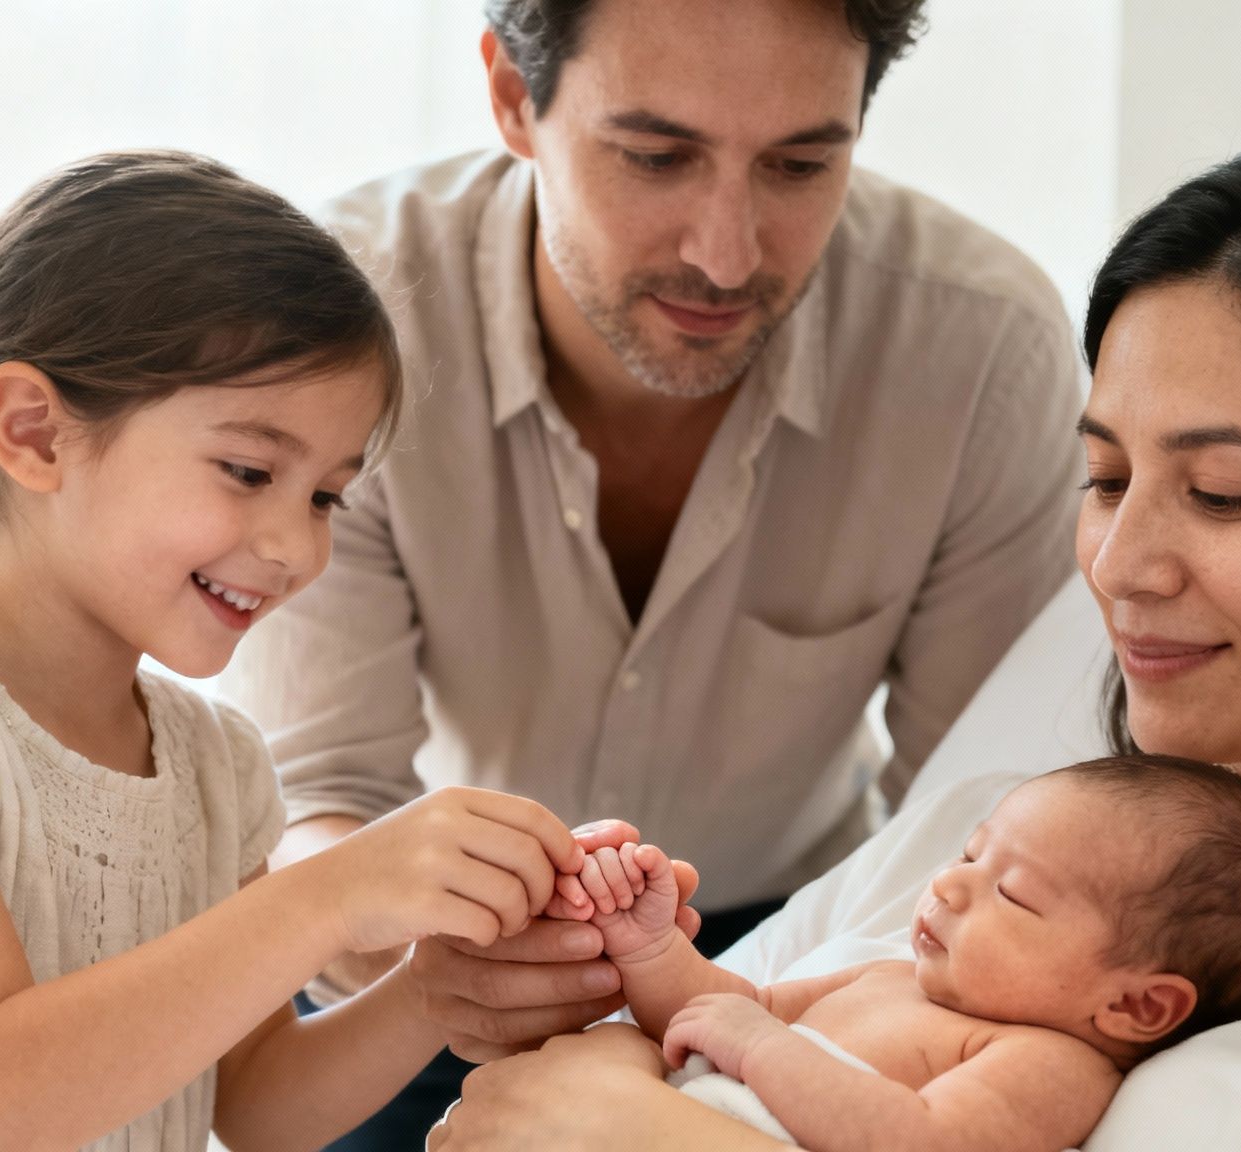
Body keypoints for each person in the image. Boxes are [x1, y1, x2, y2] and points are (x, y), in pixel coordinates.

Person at [423, 127, 1241, 1151]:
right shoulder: (982, 830)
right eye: (1104, 478)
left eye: (1224, 494)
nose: (1121, 565)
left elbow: (605, 1112)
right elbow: (630, 1054)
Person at [222, 0, 1082, 1139]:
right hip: (419, 962)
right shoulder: (346, 325)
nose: (724, 253)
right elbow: (324, 796)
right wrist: (444, 959)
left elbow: (972, 808)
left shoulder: (978, 350)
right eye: (655, 156)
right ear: (512, 99)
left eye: (797, 164)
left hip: (808, 951)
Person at [0, 151, 599, 1152]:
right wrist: (331, 896)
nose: (297, 547)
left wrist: (432, 994)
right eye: (247, 469)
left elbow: (253, 1104)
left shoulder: (212, 767)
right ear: (34, 433)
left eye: (324, 496)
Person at [548, 756, 1241, 1149]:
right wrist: (647, 943)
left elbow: (924, 1141)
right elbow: (716, 1011)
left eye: (1014, 894)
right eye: (967, 856)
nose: (949, 887)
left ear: (1135, 1004)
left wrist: (760, 1049)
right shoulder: (891, 978)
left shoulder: (1048, 1062)